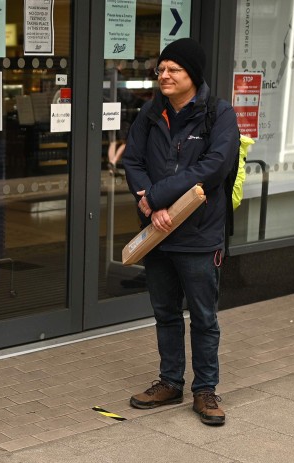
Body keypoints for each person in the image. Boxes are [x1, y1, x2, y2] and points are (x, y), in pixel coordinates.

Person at [121, 38, 239, 426]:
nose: (164, 75)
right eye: (162, 69)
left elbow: (211, 168)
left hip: (200, 236)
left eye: (174, 69)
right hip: (158, 234)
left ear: (193, 75)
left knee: (204, 316)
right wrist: (147, 200)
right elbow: (133, 160)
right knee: (165, 313)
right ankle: (170, 381)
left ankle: (205, 389)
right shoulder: (150, 112)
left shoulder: (218, 115)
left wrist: (155, 197)